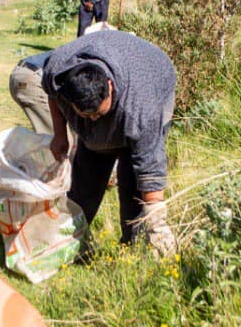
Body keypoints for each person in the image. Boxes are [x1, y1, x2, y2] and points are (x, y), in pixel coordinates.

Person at [41, 29, 177, 256]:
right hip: (117, 70)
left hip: (151, 79)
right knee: (85, 179)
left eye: (98, 114)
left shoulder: (142, 108)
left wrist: (157, 224)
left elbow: (149, 163)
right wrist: (60, 134)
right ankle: (70, 242)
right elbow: (53, 95)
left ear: (110, 87)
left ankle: (133, 246)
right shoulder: (58, 70)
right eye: (87, 116)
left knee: (132, 179)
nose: (94, 120)